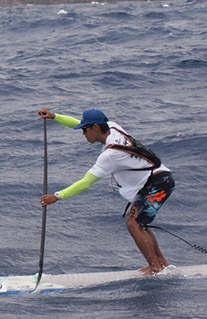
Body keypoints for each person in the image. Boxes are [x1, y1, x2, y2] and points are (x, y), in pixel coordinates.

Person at [37, 107, 175, 275]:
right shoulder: (113, 127)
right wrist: (54, 117)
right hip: (156, 180)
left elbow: (86, 182)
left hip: (158, 183)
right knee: (139, 223)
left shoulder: (110, 155)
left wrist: (57, 196)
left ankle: (155, 268)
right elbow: (78, 123)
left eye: (85, 129)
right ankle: (161, 264)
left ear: (95, 127)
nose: (83, 133)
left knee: (134, 224)